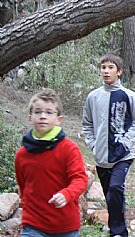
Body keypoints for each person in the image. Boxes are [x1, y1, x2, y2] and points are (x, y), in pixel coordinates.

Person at [82, 54, 135, 237]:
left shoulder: (128, 95)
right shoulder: (93, 97)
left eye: (110, 67)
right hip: (101, 156)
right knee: (110, 195)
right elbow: (87, 124)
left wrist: (126, 142)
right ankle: (116, 227)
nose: (106, 71)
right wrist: (93, 145)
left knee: (115, 187)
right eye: (103, 67)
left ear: (119, 72)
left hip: (123, 155)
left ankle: (119, 232)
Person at [15, 89, 88, 237]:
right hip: (33, 224)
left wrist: (66, 194)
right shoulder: (22, 155)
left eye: (49, 112)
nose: (43, 116)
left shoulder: (69, 149)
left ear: (58, 119)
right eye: (38, 112)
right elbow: (23, 187)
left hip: (66, 225)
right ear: (30, 117)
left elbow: (80, 179)